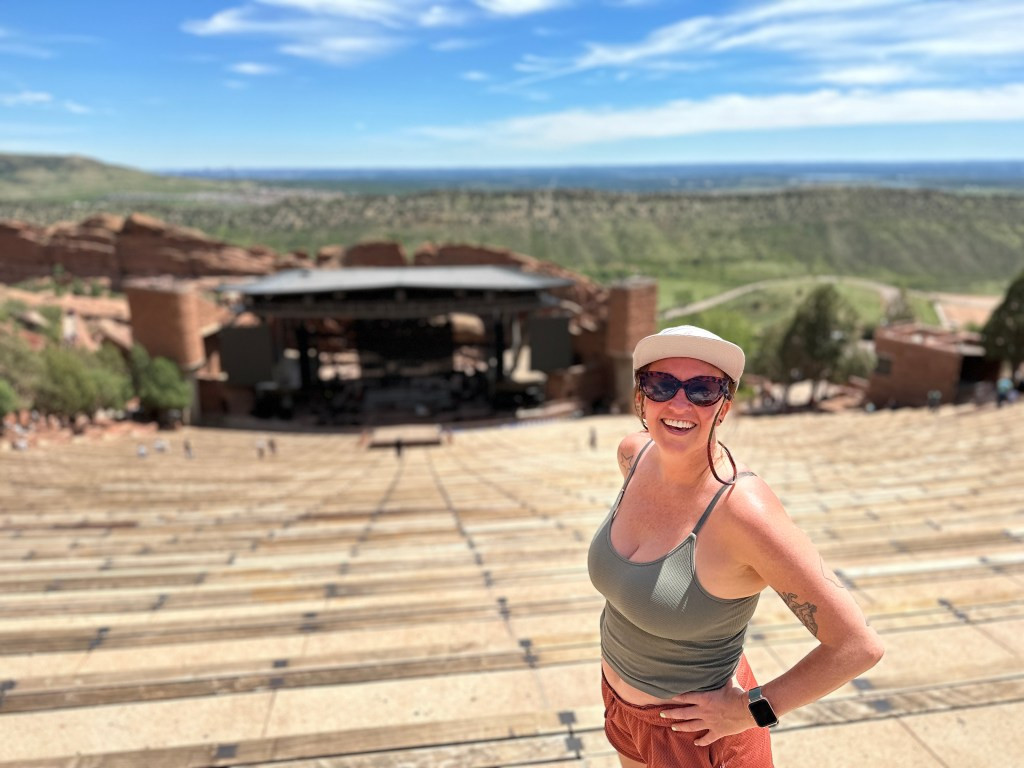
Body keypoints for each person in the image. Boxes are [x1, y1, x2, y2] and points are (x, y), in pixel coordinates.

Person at [588, 325, 883, 768]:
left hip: (695, 738)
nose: (679, 402)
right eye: (661, 384)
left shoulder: (744, 513)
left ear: (724, 407)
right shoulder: (635, 456)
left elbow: (856, 646)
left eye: (703, 389)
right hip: (620, 707)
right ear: (640, 398)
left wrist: (754, 709)